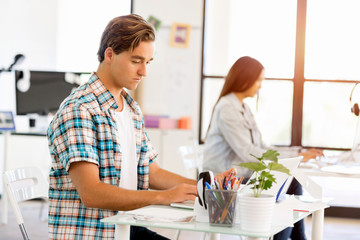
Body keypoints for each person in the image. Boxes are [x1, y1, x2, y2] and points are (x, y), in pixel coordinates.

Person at [47, 14, 236, 240]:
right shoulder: (79, 109)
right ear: (110, 54)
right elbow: (91, 193)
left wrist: (208, 186)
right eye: (136, 61)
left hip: (127, 226)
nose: (144, 71)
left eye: (148, 62)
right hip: (95, 233)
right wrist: (162, 197)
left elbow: (151, 171)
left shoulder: (131, 108)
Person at [202, 56, 323, 240]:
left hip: (244, 174)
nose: (260, 86)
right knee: (289, 182)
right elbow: (248, 152)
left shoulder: (243, 107)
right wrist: (293, 158)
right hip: (227, 182)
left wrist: (297, 154)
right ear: (245, 79)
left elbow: (263, 147)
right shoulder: (228, 107)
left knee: (291, 180)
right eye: (258, 80)